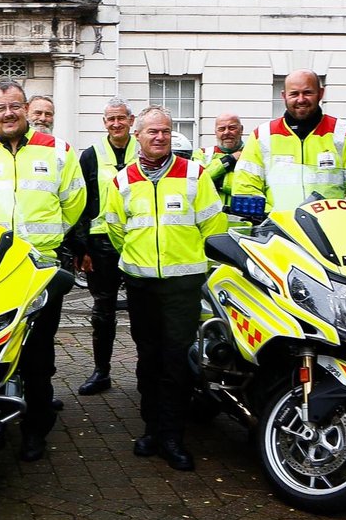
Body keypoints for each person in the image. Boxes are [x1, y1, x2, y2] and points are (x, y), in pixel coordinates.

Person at [0, 79, 86, 461]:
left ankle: (35, 429)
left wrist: (47, 240)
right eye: (0, 108)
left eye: (14, 106)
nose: (8, 113)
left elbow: (74, 203)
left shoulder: (59, 151)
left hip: (39, 269)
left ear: (26, 108)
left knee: (38, 354)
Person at [103, 106, 226, 472]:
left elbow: (213, 228)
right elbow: (116, 230)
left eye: (166, 131)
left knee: (175, 362)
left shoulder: (195, 175)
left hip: (182, 286)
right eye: (152, 131)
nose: (160, 137)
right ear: (137, 136)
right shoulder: (122, 181)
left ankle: (172, 436)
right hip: (141, 285)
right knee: (147, 359)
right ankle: (151, 429)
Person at [69, 98, 137, 397]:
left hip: (140, 240)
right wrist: (80, 248)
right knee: (103, 312)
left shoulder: (145, 147)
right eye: (111, 119)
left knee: (143, 311)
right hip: (101, 243)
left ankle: (145, 372)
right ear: (104, 122)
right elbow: (80, 203)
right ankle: (102, 371)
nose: (116, 124)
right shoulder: (91, 155)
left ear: (131, 121)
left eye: (121, 118)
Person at [235, 70, 346, 207]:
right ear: (284, 95)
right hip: (276, 230)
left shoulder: (345, 134)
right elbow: (246, 186)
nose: (301, 99)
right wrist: (270, 218)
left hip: (332, 229)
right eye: (294, 94)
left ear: (320, 93)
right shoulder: (262, 136)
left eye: (307, 92)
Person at [199, 113, 245, 205]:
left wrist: (217, 182)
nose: (226, 132)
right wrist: (230, 159)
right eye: (221, 129)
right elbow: (198, 180)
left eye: (232, 128)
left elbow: (250, 187)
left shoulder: (253, 154)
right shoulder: (202, 153)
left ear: (241, 130)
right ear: (215, 132)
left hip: (244, 218)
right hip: (212, 218)